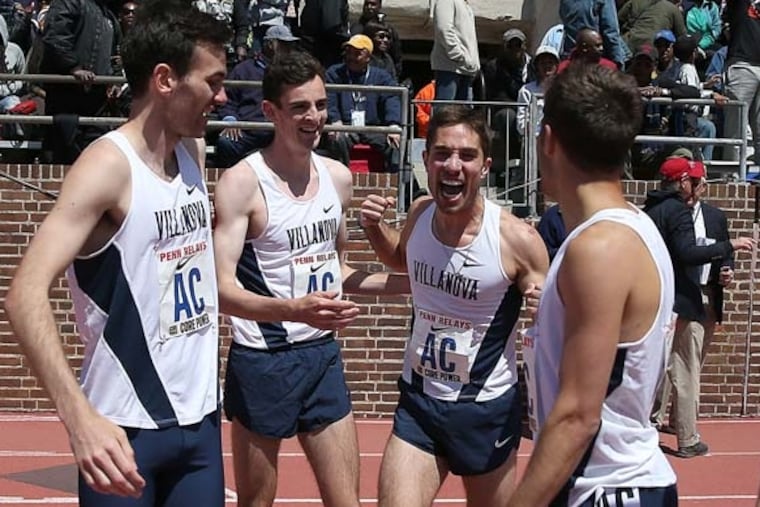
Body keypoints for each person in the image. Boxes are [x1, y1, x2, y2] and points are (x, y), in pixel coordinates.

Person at [4, 1, 231, 505]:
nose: (222, 97)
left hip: (199, 423)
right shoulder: (107, 166)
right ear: (165, 79)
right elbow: (23, 294)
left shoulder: (191, 150)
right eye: (212, 82)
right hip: (123, 431)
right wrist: (78, 418)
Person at [212, 50, 408, 507]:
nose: (314, 117)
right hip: (264, 360)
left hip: (321, 357)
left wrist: (415, 286)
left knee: (346, 501)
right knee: (256, 501)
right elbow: (220, 290)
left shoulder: (337, 178)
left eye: (320, 104)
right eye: (300, 107)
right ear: (271, 112)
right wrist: (292, 310)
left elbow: (336, 272)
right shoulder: (243, 184)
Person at [360, 104, 549, 506]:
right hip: (419, 402)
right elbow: (401, 259)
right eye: (442, 153)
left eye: (467, 155)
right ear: (425, 160)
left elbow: (548, 314)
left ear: (485, 166)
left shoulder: (517, 239)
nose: (453, 165)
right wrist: (375, 229)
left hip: (484, 409)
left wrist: (544, 304)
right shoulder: (420, 212)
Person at [510, 64, 678, 506]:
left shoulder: (599, 248)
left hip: (606, 486)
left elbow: (577, 417)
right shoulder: (633, 230)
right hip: (613, 482)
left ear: (548, 140)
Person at [645, 154, 753, 458]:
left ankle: (653, 430)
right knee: (685, 370)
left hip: (662, 298)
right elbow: (687, 253)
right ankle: (687, 438)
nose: (701, 185)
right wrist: (729, 246)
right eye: (696, 180)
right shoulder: (676, 211)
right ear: (682, 182)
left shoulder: (651, 208)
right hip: (681, 299)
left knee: (659, 366)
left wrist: (725, 263)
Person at [215, 24, 300, 168]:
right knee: (226, 142)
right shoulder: (243, 69)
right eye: (284, 45)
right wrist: (231, 120)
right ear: (270, 45)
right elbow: (228, 99)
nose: (289, 50)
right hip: (246, 130)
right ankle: (234, 180)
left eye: (290, 45)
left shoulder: (292, 72)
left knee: (301, 140)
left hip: (279, 131)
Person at [430, 0, 479, 101]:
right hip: (450, 68)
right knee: (445, 112)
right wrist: (458, 55)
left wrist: (473, 63)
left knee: (463, 113)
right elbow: (443, 29)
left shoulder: (465, 5)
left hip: (465, 69)